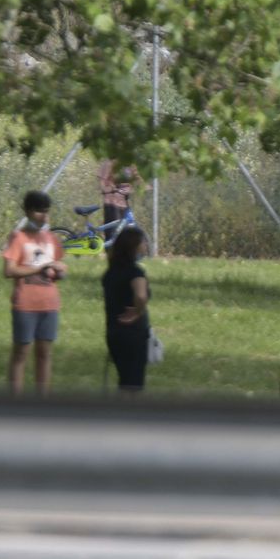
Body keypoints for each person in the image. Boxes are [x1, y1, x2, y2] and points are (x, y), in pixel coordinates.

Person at [2, 190, 67, 396]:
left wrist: (60, 271)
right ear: (28, 211)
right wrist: (38, 269)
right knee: (21, 352)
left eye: (47, 212)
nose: (44, 217)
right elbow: (9, 270)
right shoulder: (18, 238)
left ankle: (42, 401)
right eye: (39, 212)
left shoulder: (52, 239)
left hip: (49, 304)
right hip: (25, 304)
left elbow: (56, 269)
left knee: (44, 354)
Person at [101, 225, 152, 393]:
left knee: (124, 379)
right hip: (133, 334)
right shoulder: (135, 272)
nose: (145, 245)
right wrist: (138, 311)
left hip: (114, 331)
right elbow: (141, 296)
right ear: (134, 246)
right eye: (143, 242)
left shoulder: (111, 272)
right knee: (134, 383)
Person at [97, 158, 139, 228]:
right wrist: (111, 189)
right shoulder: (109, 162)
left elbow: (136, 180)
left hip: (124, 203)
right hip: (112, 204)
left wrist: (132, 189)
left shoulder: (130, 162)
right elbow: (102, 184)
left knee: (129, 230)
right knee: (114, 232)